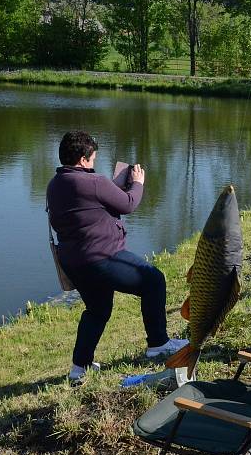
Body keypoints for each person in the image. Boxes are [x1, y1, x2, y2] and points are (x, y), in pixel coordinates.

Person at [46, 131, 188, 382]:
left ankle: (80, 367)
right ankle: (158, 343)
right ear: (82, 159)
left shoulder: (56, 184)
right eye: (92, 159)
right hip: (102, 258)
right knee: (153, 280)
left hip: (74, 262)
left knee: (97, 309)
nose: (93, 163)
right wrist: (138, 183)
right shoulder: (94, 182)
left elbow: (90, 207)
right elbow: (129, 204)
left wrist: (114, 186)